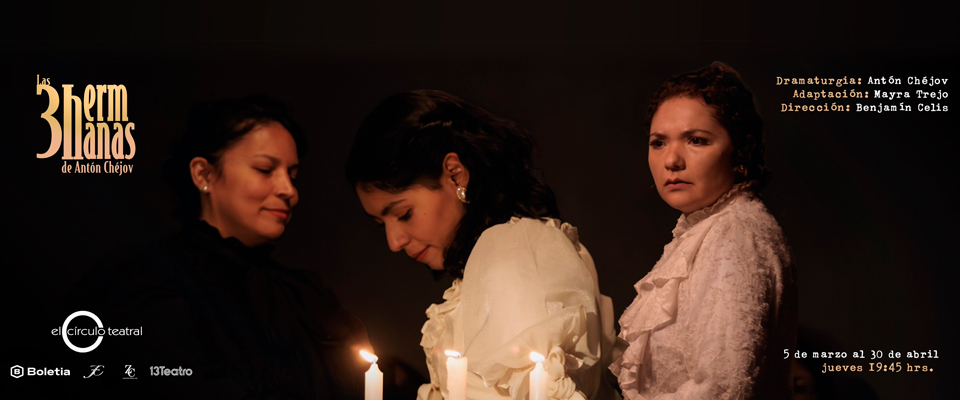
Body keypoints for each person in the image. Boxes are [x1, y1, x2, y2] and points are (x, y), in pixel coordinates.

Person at [71, 95, 372, 399]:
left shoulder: (308, 297)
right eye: (265, 169)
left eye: (292, 175)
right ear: (203, 174)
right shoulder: (147, 280)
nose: (289, 191)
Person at [345, 90, 623, 400]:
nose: (394, 242)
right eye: (381, 224)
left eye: (403, 214)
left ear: (455, 175)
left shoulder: (514, 249)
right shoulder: (498, 255)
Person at [609, 63, 798, 399]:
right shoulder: (706, 229)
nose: (671, 160)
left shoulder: (736, 233)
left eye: (696, 140)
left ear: (740, 150)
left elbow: (724, 389)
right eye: (658, 143)